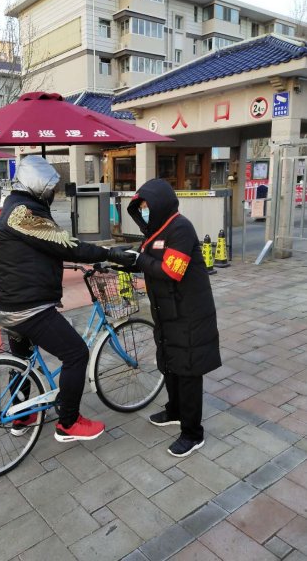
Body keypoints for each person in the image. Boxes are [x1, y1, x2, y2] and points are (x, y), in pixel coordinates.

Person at [0, 155, 136, 442]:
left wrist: (56, 265)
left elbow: (33, 252)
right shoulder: (23, 213)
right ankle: (68, 423)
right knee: (76, 354)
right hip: (28, 308)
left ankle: (21, 415)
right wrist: (110, 254)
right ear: (37, 186)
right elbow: (65, 244)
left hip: (9, 304)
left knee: (24, 360)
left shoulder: (13, 207)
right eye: (50, 188)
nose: (52, 193)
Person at [127, 179, 221, 458]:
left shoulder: (180, 228)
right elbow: (147, 262)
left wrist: (138, 260)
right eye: (141, 207)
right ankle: (175, 411)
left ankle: (192, 433)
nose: (144, 211)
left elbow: (171, 271)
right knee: (170, 363)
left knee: (188, 369)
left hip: (189, 313)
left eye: (147, 206)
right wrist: (123, 260)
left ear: (160, 204)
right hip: (167, 312)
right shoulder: (154, 232)